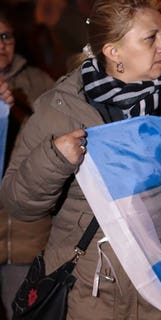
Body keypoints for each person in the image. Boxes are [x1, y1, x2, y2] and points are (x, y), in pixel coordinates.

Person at [0, 0, 161, 318]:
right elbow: (17, 202)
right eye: (150, 38)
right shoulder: (61, 108)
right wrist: (55, 159)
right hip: (90, 295)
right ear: (113, 52)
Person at [0, 8, 55, 319]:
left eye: (6, 36)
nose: (1, 44)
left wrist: (15, 109)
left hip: (26, 233)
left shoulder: (37, 81)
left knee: (21, 311)